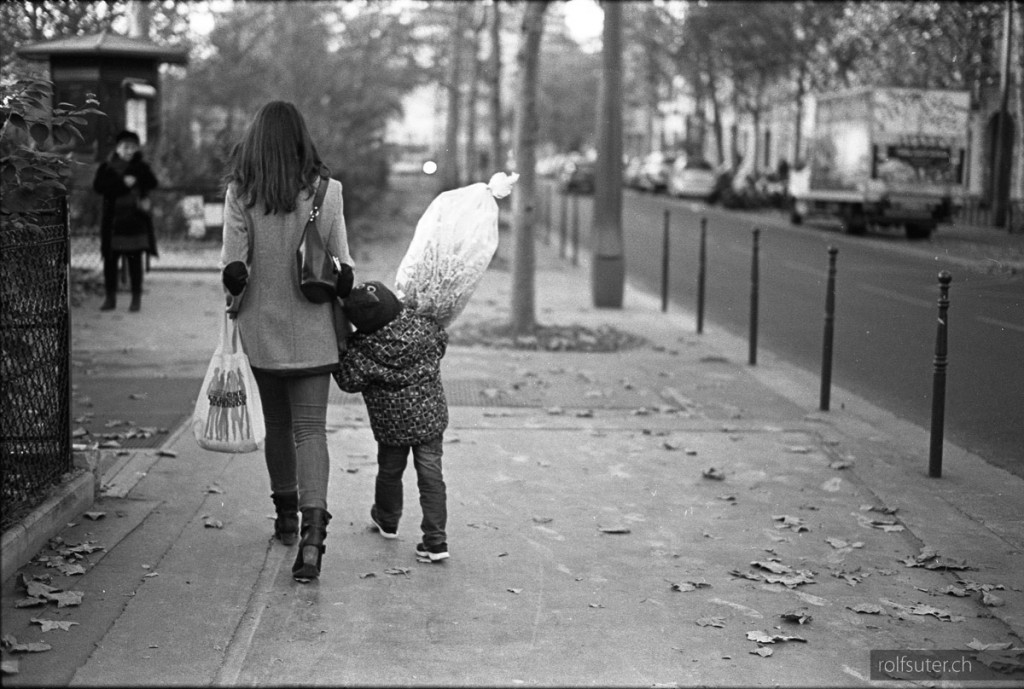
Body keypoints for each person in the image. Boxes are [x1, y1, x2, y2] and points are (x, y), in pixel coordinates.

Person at [219, 101, 354, 583]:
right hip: (315, 325)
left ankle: (286, 520)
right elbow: (343, 267)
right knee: (311, 430)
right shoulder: (327, 191)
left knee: (277, 424)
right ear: (301, 139)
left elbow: (233, 270)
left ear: (255, 142)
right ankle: (315, 539)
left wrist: (240, 288)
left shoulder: (241, 193)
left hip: (261, 327)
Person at [333, 281, 451, 563]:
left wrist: (341, 351)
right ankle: (435, 540)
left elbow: (348, 382)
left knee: (389, 471)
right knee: (431, 478)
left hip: (391, 427)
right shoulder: (425, 328)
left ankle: (387, 520)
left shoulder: (362, 349)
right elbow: (442, 341)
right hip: (430, 421)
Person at [92, 129, 158, 312]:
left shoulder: (141, 167)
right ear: (118, 148)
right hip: (113, 223)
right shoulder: (106, 167)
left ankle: (136, 299)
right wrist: (123, 184)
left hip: (135, 223)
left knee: (135, 261)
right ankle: (110, 298)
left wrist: (137, 177)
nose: (130, 151)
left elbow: (153, 183)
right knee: (110, 262)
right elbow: (99, 187)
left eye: (133, 147)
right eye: (126, 147)